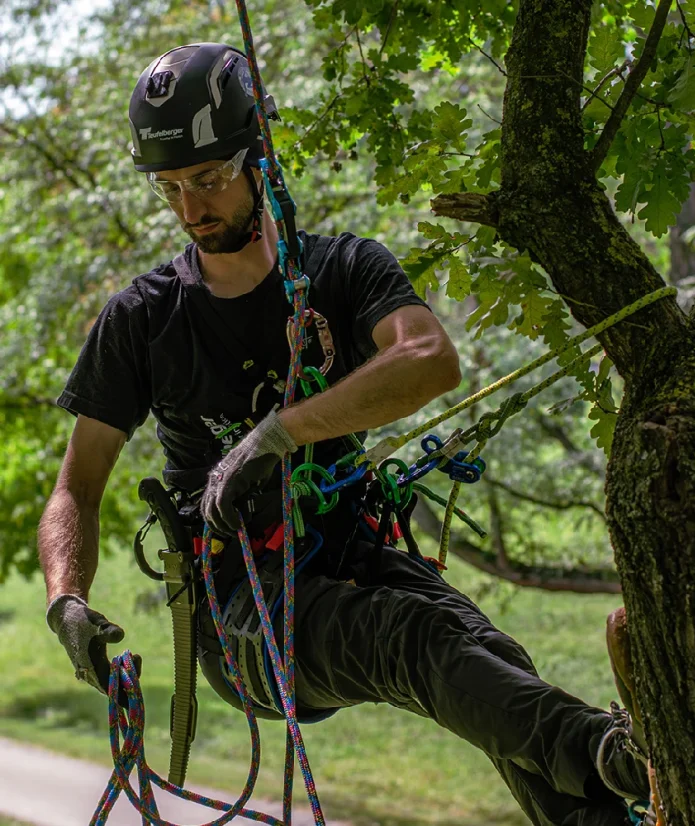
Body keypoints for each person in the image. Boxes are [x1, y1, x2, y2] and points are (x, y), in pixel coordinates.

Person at [38, 42, 653, 826]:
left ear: (261, 158)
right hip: (243, 612)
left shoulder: (343, 271)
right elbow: (77, 487)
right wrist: (65, 599)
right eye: (170, 188)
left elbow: (429, 359)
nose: (191, 207)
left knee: (492, 659)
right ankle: (615, 756)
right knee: (413, 639)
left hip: (352, 552)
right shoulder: (144, 319)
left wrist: (280, 433)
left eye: (210, 178)